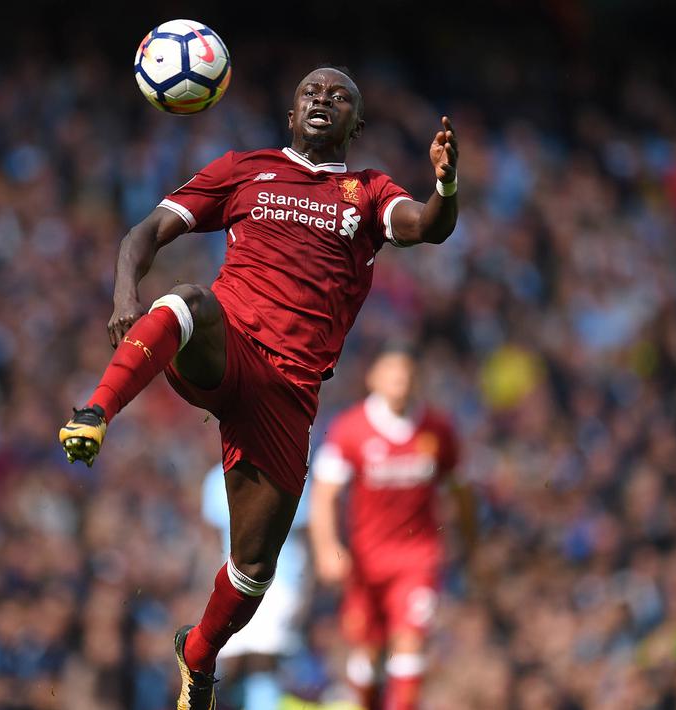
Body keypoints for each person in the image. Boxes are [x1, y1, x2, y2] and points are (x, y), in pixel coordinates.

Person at [59, 64, 461, 709]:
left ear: (356, 122)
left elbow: (429, 225)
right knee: (186, 300)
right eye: (310, 91)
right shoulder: (244, 170)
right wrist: (123, 296)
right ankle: (95, 410)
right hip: (230, 345)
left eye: (339, 97)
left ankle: (198, 654)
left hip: (288, 393)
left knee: (252, 574)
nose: (322, 99)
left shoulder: (368, 191)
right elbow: (146, 234)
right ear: (291, 111)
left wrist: (445, 182)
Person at [308, 346, 477, 710]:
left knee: (409, 644)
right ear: (374, 378)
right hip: (366, 561)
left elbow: (460, 488)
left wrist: (470, 540)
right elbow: (323, 495)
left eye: (407, 371)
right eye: (392, 371)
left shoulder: (438, 429)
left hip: (418, 558)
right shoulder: (350, 429)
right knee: (366, 655)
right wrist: (327, 550)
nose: (401, 379)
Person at [201, 463, 309, 710]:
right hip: (232, 581)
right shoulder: (215, 479)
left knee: (265, 658)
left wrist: (304, 590)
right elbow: (210, 542)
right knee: (234, 662)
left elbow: (303, 539)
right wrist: (209, 590)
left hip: (281, 582)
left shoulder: (289, 466)